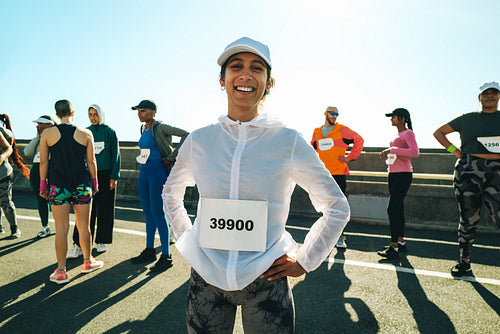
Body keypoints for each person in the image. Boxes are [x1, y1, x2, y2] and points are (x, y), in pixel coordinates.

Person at [162, 37, 349, 333]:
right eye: (236, 66)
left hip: (266, 280)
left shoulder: (288, 141)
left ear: (268, 82)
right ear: (222, 80)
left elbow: (337, 207)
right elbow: (171, 192)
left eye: (257, 68)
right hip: (206, 280)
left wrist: (305, 260)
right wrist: (187, 239)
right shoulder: (199, 140)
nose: (246, 74)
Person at [433, 81, 500, 277]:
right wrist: (456, 152)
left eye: (493, 93)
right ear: (479, 98)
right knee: (468, 218)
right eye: (485, 94)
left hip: (497, 172)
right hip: (469, 170)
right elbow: (439, 132)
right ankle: (464, 262)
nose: (489, 96)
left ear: (498, 96)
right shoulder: (468, 119)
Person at [39, 99, 103, 284]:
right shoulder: (86, 133)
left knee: (61, 229)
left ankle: (60, 272)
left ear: (57, 114)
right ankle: (87, 262)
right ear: (72, 112)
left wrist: (43, 185)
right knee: (84, 226)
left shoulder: (48, 134)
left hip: (58, 186)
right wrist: (95, 183)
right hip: (82, 185)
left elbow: (44, 162)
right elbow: (91, 162)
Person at [130, 99, 189, 272]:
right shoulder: (143, 128)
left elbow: (187, 134)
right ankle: (149, 250)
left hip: (157, 172)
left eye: (142, 110)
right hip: (144, 172)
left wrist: (171, 157)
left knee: (158, 213)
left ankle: (166, 255)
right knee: (148, 213)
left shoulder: (160, 127)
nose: (139, 114)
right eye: (138, 111)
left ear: (153, 112)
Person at [68, 104, 121, 257]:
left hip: (106, 176)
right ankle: (78, 244)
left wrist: (114, 176)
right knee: (84, 211)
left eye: (95, 114)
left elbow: (116, 155)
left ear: (101, 115)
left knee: (105, 209)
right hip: (87, 175)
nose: (93, 117)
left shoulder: (110, 132)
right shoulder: (85, 132)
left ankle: (101, 241)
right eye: (90, 114)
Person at [311, 106, 364, 249]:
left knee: (339, 208)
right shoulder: (316, 132)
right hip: (323, 175)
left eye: (337, 114)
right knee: (325, 207)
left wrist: (350, 157)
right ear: (325, 114)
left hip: (338, 174)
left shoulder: (342, 130)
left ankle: (340, 237)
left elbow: (359, 140)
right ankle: (325, 237)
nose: (334, 116)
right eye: (332, 113)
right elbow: (312, 151)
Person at [377, 108, 419, 259]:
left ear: (402, 119)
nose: (391, 119)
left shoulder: (408, 133)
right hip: (393, 174)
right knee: (398, 208)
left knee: (392, 209)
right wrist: (391, 151)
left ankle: (393, 247)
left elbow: (415, 152)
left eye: (393, 117)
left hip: (403, 174)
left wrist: (392, 149)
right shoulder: (398, 134)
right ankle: (400, 242)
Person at [24, 115, 57, 238]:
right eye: (38, 124)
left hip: (51, 169)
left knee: (55, 197)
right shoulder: (38, 138)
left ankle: (60, 224)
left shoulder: (56, 136)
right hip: (36, 169)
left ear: (49, 125)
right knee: (40, 198)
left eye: (41, 124)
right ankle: (45, 226)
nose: (38, 126)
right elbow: (27, 152)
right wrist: (38, 136)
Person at [0, 114, 30, 238]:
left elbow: (9, 149)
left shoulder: (3, 132)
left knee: (5, 202)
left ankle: (14, 228)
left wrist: (1, 157)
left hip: (3, 173)